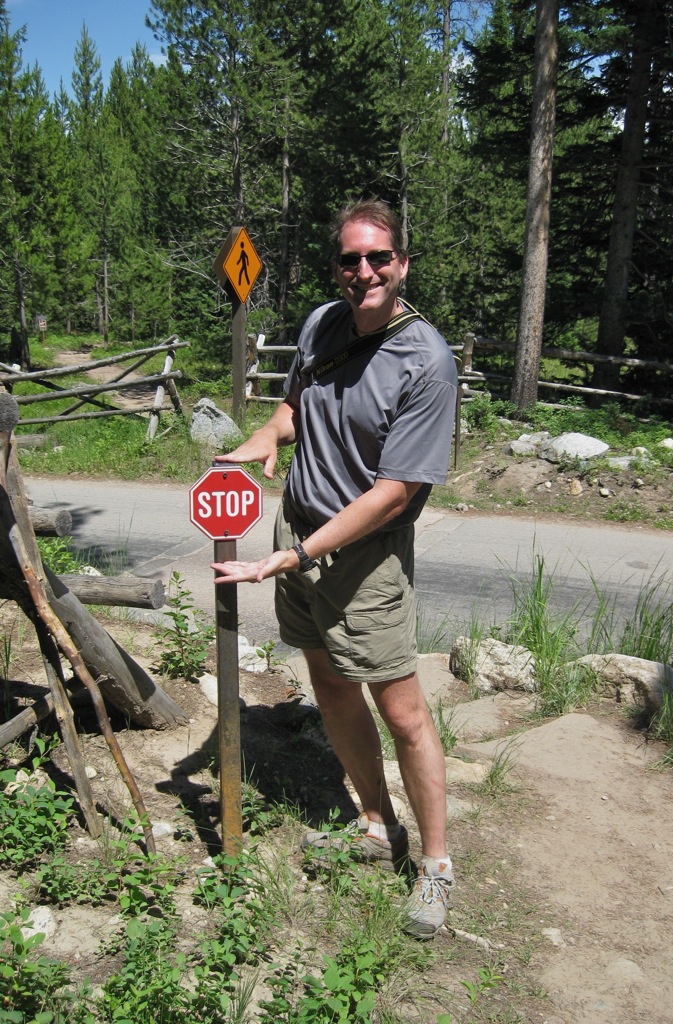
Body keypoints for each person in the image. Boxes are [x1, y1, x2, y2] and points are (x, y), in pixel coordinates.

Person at [211, 198, 458, 939]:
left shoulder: (427, 363)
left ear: (402, 264)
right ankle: (375, 822)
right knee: (328, 683)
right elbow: (297, 408)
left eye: (378, 257)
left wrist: (293, 556)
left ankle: (437, 866)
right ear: (337, 269)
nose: (364, 271)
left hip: (361, 561)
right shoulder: (323, 323)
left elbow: (394, 495)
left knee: (403, 710)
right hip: (301, 530)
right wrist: (264, 437)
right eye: (351, 259)